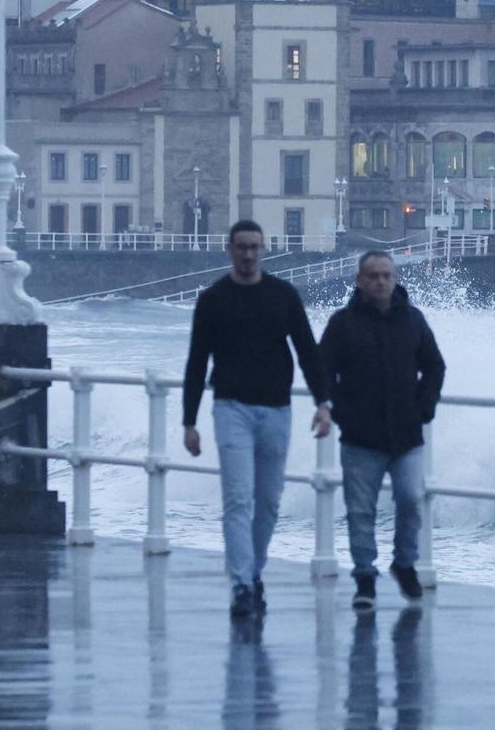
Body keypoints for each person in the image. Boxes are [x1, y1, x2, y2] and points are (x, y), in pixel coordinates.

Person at [182, 219, 331, 618]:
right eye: (241, 247)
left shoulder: (283, 295)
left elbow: (307, 351)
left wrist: (323, 403)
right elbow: (197, 361)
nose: (248, 254)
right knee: (237, 501)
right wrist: (189, 422)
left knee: (267, 503)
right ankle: (242, 584)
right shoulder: (213, 299)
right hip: (231, 408)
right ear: (229, 249)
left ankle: (254, 571)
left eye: (254, 247)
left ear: (263, 249)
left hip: (277, 410)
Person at [319, 251, 445, 609]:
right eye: (372, 275)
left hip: (406, 434)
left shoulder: (413, 321)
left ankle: (404, 563)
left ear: (395, 279)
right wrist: (335, 407)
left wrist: (425, 406)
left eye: (386, 275)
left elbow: (434, 366)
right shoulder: (343, 323)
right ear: (360, 280)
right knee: (361, 511)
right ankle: (365, 579)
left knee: (411, 500)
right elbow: (322, 368)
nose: (380, 282)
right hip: (360, 436)